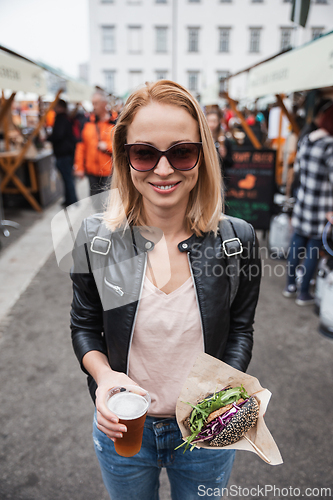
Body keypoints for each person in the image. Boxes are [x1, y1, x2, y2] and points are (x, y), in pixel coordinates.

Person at [70, 80, 261, 500]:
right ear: (125, 157)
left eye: (181, 151)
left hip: (204, 433)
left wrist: (221, 390)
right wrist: (104, 379)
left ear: (202, 156)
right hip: (124, 426)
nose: (163, 169)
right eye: (144, 152)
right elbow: (84, 325)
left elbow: (242, 330)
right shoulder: (97, 239)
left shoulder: (237, 240)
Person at [283, 103, 333, 306]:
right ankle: (304, 293)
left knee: (297, 244)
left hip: (303, 202)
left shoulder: (307, 139)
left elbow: (299, 171)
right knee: (313, 247)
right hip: (321, 206)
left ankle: (290, 285)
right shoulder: (329, 144)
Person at [74, 90, 115, 199]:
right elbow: (81, 146)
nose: (94, 107)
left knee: (108, 203)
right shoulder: (87, 122)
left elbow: (122, 146)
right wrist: (79, 167)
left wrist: (107, 147)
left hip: (109, 172)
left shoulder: (115, 122)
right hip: (91, 171)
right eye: (92, 103)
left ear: (104, 104)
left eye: (96, 103)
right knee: (95, 202)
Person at [48, 99, 78, 207]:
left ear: (60, 107)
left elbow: (58, 135)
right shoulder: (67, 118)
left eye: (56, 106)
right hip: (67, 152)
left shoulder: (61, 119)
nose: (54, 108)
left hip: (63, 153)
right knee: (67, 179)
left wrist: (49, 138)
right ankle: (69, 200)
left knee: (67, 179)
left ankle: (72, 201)